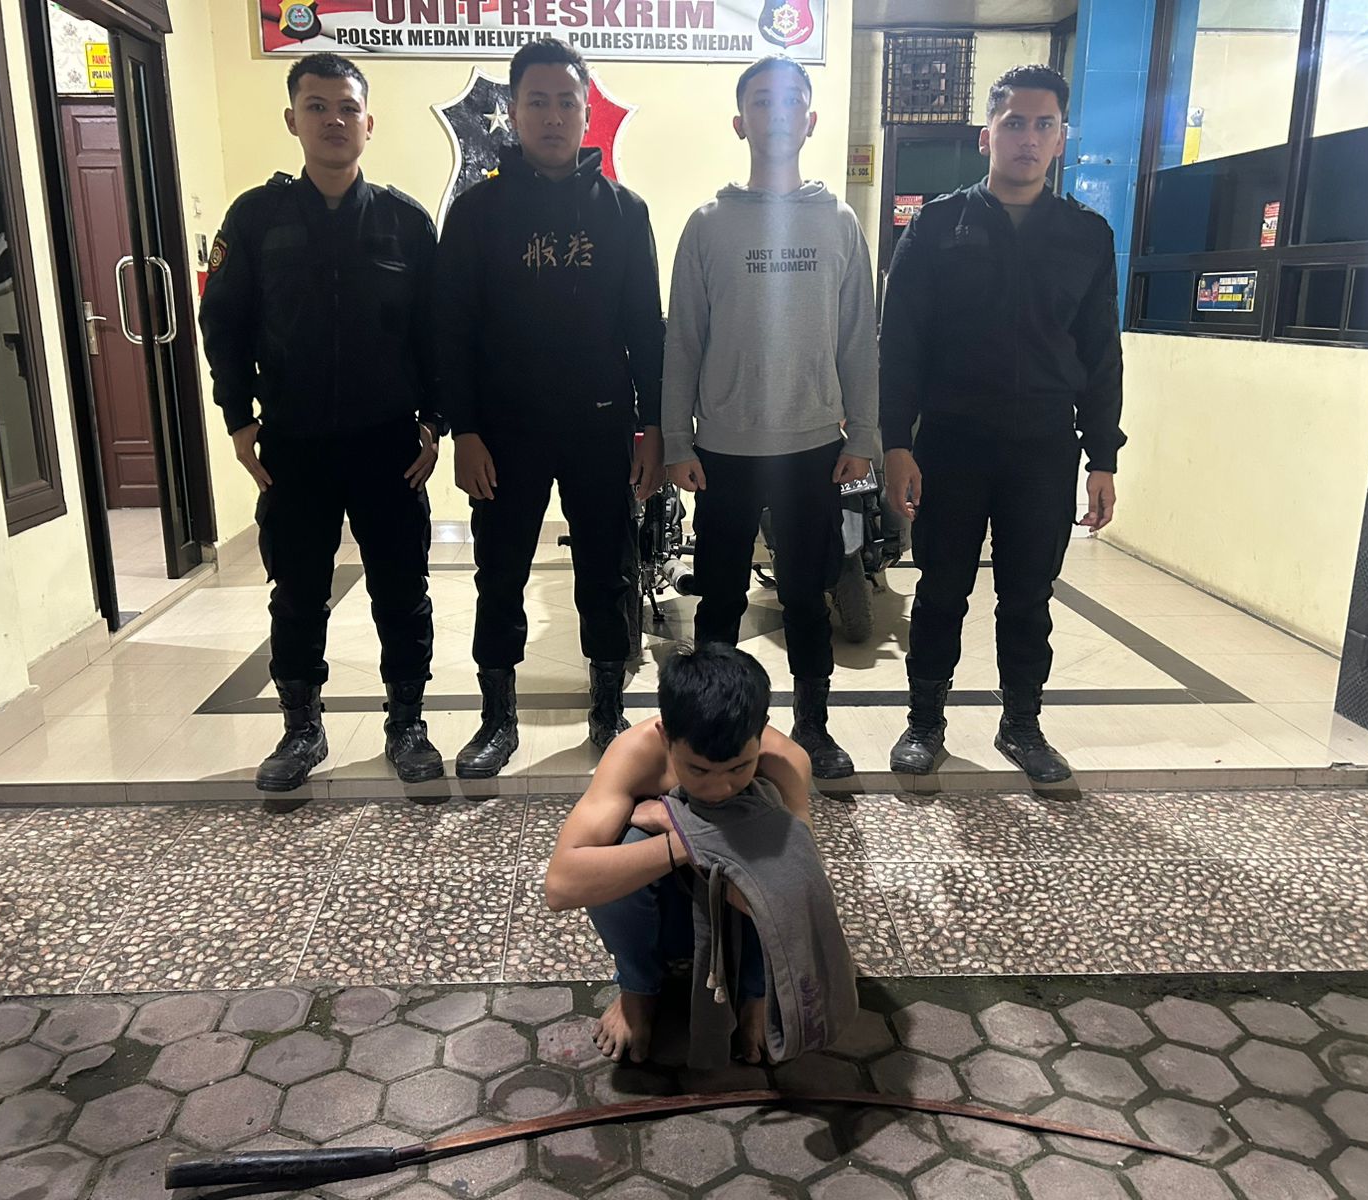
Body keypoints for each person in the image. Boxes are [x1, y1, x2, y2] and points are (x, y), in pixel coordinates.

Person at [199, 53, 444, 792]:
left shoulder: (405, 221)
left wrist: (435, 421)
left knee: (401, 587)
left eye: (346, 108)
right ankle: (301, 728)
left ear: (369, 122)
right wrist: (238, 419)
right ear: (292, 119)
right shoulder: (256, 218)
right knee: (298, 591)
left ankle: (407, 723)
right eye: (317, 107)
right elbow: (224, 324)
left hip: (388, 441)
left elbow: (438, 330)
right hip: (295, 441)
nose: (333, 120)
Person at [879, 64, 1126, 786]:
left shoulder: (1086, 235)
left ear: (1061, 138)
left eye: (1044, 124)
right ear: (987, 135)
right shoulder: (937, 225)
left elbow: (1101, 353)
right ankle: (925, 722)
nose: (1028, 137)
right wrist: (896, 443)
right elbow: (901, 343)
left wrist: (1102, 456)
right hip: (951, 440)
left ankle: (1021, 723)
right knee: (940, 589)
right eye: (1014, 122)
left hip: (1044, 445)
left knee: (1028, 594)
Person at [434, 38, 666, 779]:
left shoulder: (624, 212)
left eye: (568, 101)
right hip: (505, 433)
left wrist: (652, 427)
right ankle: (497, 717)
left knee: (609, 570)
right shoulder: (477, 213)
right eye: (538, 101)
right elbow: (453, 331)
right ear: (513, 109)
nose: (554, 115)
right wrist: (465, 430)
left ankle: (607, 707)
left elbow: (645, 329)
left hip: (601, 425)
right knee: (499, 573)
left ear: (587, 112)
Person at [661, 55, 879, 780]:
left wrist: (865, 435)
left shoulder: (839, 222)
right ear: (740, 121)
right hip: (723, 447)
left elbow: (859, 340)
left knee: (806, 595)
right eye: (761, 101)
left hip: (813, 443)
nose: (776, 113)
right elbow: (683, 341)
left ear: (810, 120)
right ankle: (715, 732)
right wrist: (677, 439)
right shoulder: (707, 225)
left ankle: (812, 726)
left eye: (789, 102)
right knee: (720, 595)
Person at [545, 644, 818, 1064]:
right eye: (699, 770)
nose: (719, 788)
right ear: (665, 735)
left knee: (777, 854)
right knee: (622, 848)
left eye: (738, 768)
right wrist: (685, 839)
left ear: (762, 731)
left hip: (741, 917)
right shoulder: (634, 753)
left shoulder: (786, 762)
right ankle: (638, 990)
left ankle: (756, 994)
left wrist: (686, 824)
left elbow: (797, 895)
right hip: (664, 916)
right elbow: (562, 886)